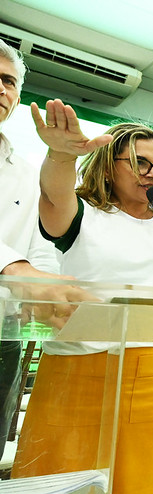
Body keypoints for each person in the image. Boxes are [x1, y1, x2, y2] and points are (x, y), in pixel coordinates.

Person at [5, 99, 153, 494]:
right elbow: (53, 193)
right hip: (79, 369)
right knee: (64, 489)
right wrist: (60, 154)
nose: (152, 173)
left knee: (143, 491)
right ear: (107, 166)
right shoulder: (82, 213)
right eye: (138, 162)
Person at [0, 39, 59, 456]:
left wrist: (48, 286)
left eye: (8, 81)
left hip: (5, 335)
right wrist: (16, 270)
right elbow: (21, 265)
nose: (1, 89)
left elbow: (39, 243)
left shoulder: (24, 172)